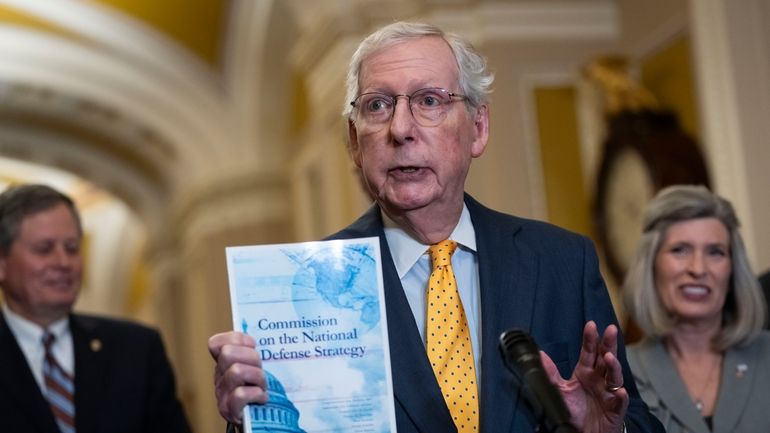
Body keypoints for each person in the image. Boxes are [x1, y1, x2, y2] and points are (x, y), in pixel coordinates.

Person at [209, 22, 663, 433]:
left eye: (429, 101)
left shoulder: (561, 261)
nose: (401, 129)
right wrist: (244, 418)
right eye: (378, 105)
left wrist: (604, 431)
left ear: (478, 129)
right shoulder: (306, 287)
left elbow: (635, 421)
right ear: (353, 142)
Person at [0, 184, 192, 433]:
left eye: (72, 248)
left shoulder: (137, 349)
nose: (63, 262)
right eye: (44, 249)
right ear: (2, 264)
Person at [623, 185, 770, 432]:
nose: (698, 269)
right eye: (680, 250)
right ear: (651, 265)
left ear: (733, 270)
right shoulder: (622, 371)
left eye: (716, 252)